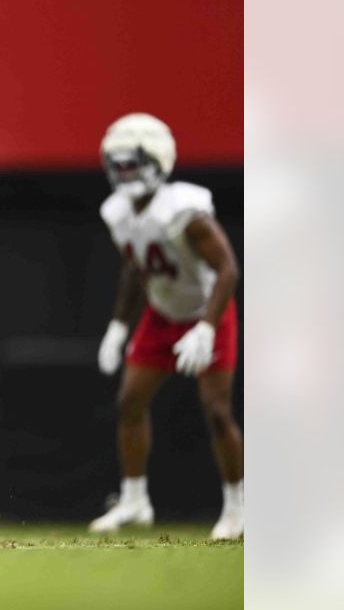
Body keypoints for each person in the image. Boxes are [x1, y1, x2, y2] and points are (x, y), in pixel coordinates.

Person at [88, 113, 243, 540]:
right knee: (129, 402)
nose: (124, 175)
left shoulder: (184, 210)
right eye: (117, 165)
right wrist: (118, 327)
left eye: (131, 164)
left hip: (208, 309)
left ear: (157, 162)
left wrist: (208, 327)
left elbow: (228, 269)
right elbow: (135, 270)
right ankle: (135, 501)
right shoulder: (119, 213)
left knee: (216, 412)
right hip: (161, 312)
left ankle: (238, 508)